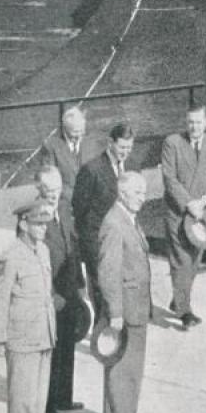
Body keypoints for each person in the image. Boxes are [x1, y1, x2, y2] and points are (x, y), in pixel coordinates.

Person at [0, 198, 57, 413]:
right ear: (22, 223)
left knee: (39, 394)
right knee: (21, 395)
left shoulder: (43, 251)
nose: (42, 229)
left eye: (44, 224)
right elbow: (0, 299)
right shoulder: (11, 255)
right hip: (22, 335)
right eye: (37, 224)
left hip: (44, 332)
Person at [160, 104, 206, 330]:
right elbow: (169, 179)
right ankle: (184, 312)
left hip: (201, 215)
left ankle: (179, 299)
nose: (193, 127)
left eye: (198, 122)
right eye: (190, 122)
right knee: (181, 261)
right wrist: (188, 203)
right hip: (178, 213)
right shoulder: (172, 143)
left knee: (194, 261)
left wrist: (203, 202)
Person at [98, 171, 151, 413]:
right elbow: (108, 271)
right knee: (123, 365)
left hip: (135, 305)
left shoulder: (127, 219)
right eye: (138, 193)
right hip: (126, 308)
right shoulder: (115, 223)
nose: (143, 198)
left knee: (131, 363)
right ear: (123, 193)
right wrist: (115, 312)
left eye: (144, 192)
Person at [35, 166, 86, 413]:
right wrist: (51, 293)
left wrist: (80, 282)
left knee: (67, 344)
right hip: (51, 291)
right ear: (39, 189)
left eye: (57, 189)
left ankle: (64, 397)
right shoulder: (33, 215)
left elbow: (73, 247)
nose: (54, 194)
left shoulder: (64, 209)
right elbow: (35, 261)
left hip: (69, 287)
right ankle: (47, 403)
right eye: (48, 190)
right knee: (51, 350)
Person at [73, 121, 134, 319]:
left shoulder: (128, 167)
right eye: (122, 147)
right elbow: (79, 209)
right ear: (111, 143)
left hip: (121, 238)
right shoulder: (91, 170)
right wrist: (90, 244)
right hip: (97, 241)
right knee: (101, 286)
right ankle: (103, 332)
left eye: (129, 147)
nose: (126, 152)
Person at [38, 106, 99, 202]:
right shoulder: (51, 146)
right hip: (65, 202)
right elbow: (51, 182)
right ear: (64, 129)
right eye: (75, 132)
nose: (79, 136)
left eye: (82, 131)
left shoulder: (90, 142)